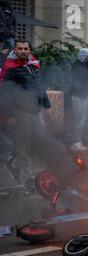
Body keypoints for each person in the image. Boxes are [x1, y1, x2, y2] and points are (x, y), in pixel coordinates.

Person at [0, 39, 51, 181]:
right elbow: (5, 92)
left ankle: (14, 164)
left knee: (39, 141)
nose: (23, 51)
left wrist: (46, 106)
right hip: (20, 112)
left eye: (26, 48)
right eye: (20, 49)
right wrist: (10, 114)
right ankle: (25, 178)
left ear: (29, 50)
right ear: (14, 50)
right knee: (23, 145)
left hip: (35, 110)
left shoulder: (33, 64)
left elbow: (40, 86)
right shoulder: (10, 67)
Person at [69, 48, 88, 152]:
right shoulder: (77, 67)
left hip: (86, 97)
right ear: (84, 56)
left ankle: (79, 141)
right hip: (79, 97)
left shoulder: (87, 67)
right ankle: (75, 142)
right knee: (79, 119)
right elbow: (76, 83)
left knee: (86, 119)